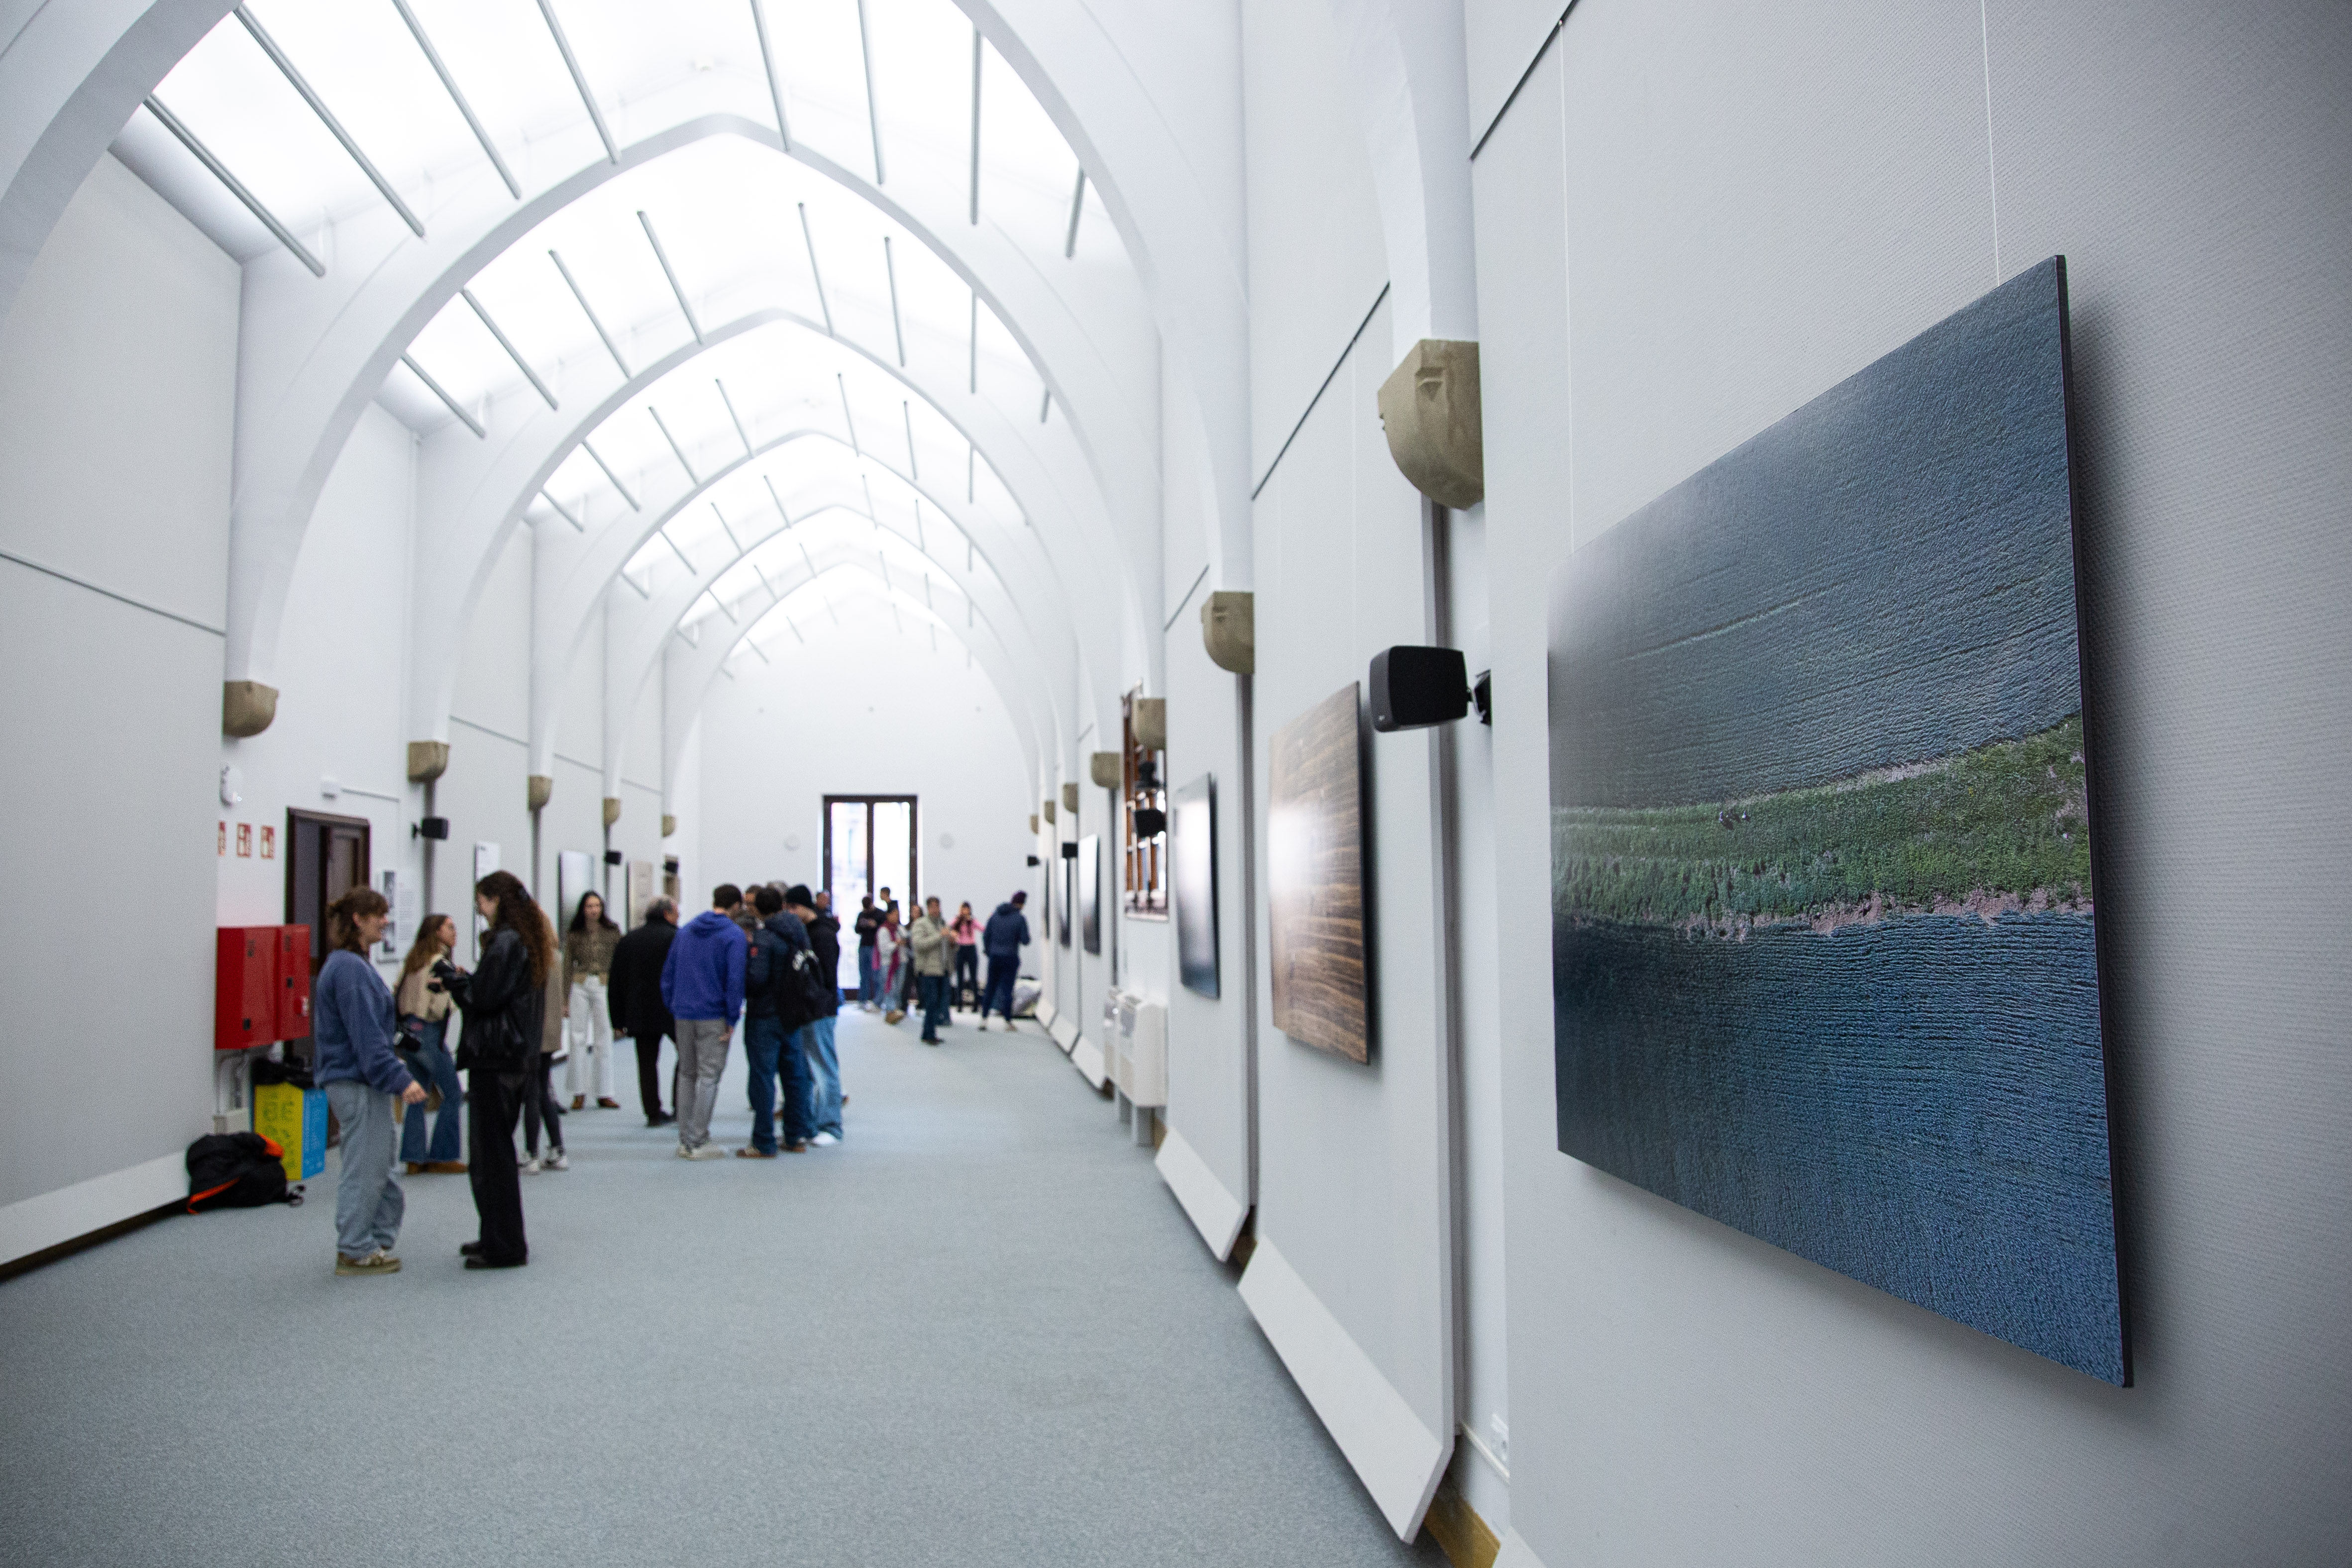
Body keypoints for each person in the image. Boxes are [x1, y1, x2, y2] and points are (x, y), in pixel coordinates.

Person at [313, 887, 426, 1276]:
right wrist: (400, 1079)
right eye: (378, 914)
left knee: (381, 1168)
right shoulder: (348, 969)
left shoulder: (353, 965)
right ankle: (355, 1248)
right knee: (366, 1169)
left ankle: (372, 1241)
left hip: (364, 1081)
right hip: (357, 1082)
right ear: (358, 920)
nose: (385, 921)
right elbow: (366, 1039)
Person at [442, 869, 547, 1269]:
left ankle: (504, 1245)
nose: (478, 909)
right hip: (513, 1058)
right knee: (493, 1152)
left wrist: (455, 983)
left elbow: (484, 998)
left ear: (495, 900)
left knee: (493, 1155)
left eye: (481, 901)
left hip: (496, 1059)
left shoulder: (505, 941)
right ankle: (496, 1235)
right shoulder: (526, 939)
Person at [661, 884, 747, 1159]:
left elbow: (668, 974)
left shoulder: (685, 931)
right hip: (714, 1015)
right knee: (709, 1076)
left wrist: (674, 1005)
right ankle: (699, 1140)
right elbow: (735, 980)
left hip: (683, 1012)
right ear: (735, 905)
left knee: (687, 1074)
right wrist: (732, 1016)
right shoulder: (733, 935)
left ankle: (686, 1139)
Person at [740, 886, 817, 1157]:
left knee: (763, 1078)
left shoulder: (764, 937)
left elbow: (758, 979)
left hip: (765, 1016)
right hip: (793, 1014)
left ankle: (763, 1142)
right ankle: (796, 1136)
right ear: (783, 905)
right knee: (794, 1077)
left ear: (758, 909)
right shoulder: (799, 933)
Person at [395, 914, 466, 1175]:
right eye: (450, 927)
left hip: (408, 1034)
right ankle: (443, 1155)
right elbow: (444, 1004)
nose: (454, 931)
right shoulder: (440, 964)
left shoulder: (413, 960)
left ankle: (414, 1157)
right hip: (428, 1033)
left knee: (417, 1094)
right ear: (437, 932)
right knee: (454, 1093)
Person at [609, 897, 678, 1126]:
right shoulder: (677, 937)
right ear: (668, 913)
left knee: (647, 1063)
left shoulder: (629, 939)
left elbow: (616, 981)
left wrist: (617, 1019)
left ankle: (653, 1113)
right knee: (688, 1058)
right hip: (673, 1009)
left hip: (640, 1011)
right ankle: (682, 1105)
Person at [787, 885, 845, 1146]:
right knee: (811, 1068)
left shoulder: (822, 935)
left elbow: (827, 977)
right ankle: (812, 1123)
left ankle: (832, 1126)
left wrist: (820, 1003)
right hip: (810, 1009)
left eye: (791, 909)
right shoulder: (808, 932)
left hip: (821, 1009)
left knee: (824, 1067)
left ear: (800, 908)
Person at [562, 892, 623, 1111]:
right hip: (580, 985)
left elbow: (620, 961)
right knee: (577, 1037)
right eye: (590, 906)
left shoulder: (612, 931)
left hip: (604, 985)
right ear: (583, 909)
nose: (594, 910)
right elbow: (567, 965)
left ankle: (605, 1092)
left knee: (604, 1037)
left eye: (597, 905)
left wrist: (621, 993)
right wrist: (564, 998)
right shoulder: (574, 933)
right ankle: (579, 1092)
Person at [522, 929, 569, 1173]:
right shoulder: (555, 956)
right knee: (543, 1089)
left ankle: (531, 1153)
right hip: (550, 1032)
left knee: (532, 1092)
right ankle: (558, 1148)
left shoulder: (531, 958)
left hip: (533, 1031)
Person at [980, 891, 1031, 1030]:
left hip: (994, 957)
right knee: (1008, 990)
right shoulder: (1020, 918)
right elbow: (1026, 940)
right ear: (1021, 904)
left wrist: (989, 951)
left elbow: (986, 935)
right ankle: (1007, 1021)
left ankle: (984, 1019)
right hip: (1010, 957)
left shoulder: (995, 915)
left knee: (990, 987)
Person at [910, 896, 953, 1045]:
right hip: (928, 970)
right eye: (933, 906)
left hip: (942, 970)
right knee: (931, 1003)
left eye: (938, 906)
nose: (936, 909)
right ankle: (928, 1034)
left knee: (940, 1003)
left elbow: (946, 947)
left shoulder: (943, 923)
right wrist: (939, 936)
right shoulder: (920, 924)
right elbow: (919, 945)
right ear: (928, 908)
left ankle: (931, 1033)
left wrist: (952, 941)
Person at [876, 905, 908, 1025]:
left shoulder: (900, 928)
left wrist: (903, 942)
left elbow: (907, 939)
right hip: (888, 963)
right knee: (891, 987)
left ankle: (896, 1009)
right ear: (888, 915)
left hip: (901, 961)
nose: (896, 917)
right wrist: (896, 944)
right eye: (894, 914)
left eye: (898, 914)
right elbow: (883, 949)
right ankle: (890, 1010)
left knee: (899, 987)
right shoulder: (883, 930)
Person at [949, 901, 981, 1011]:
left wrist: (971, 921)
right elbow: (948, 927)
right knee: (960, 978)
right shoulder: (957, 920)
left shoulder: (972, 921)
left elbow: (982, 929)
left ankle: (976, 1004)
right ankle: (959, 1004)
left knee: (973, 978)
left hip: (971, 949)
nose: (966, 911)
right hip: (960, 949)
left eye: (967, 909)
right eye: (964, 909)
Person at [853, 895, 882, 1011]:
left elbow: (883, 928)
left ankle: (877, 1001)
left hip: (875, 947)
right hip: (863, 946)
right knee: (863, 975)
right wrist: (862, 925)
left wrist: (875, 925)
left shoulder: (880, 914)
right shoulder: (862, 915)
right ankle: (862, 1000)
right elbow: (856, 930)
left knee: (876, 975)